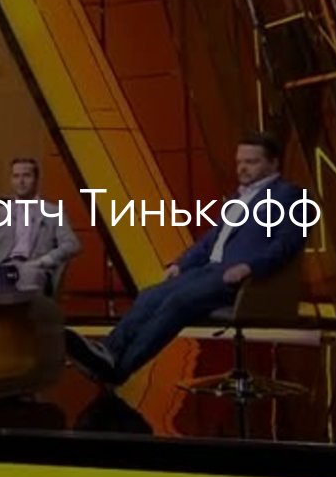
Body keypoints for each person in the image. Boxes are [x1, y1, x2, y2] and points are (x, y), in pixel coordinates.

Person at [65, 132, 311, 386]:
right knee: (150, 295)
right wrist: (180, 265)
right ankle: (108, 353)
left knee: (179, 301)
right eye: (239, 162)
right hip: (207, 271)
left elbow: (288, 245)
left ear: (274, 163)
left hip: (242, 280)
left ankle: (118, 371)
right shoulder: (238, 198)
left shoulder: (290, 196)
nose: (242, 168)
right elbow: (208, 242)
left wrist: (249, 267)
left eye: (251, 162)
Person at [0, 158, 82, 293]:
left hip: (33, 267)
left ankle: (18, 307)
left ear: (36, 179)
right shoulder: (0, 213)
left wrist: (44, 260)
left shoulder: (53, 212)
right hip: (1, 268)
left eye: (26, 176)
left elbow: (72, 244)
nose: (21, 181)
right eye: (16, 176)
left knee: (29, 276)